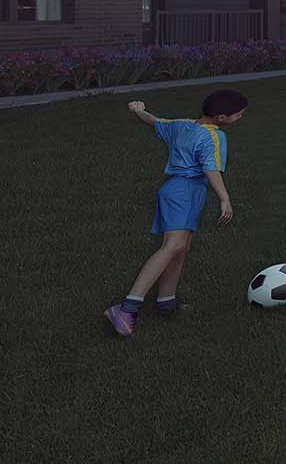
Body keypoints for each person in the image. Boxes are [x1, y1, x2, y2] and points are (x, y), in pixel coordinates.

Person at [106, 90, 247, 337]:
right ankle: (127, 308)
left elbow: (156, 122)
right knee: (172, 247)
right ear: (222, 117)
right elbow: (212, 169)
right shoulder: (214, 137)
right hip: (186, 192)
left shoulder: (182, 125)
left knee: (181, 247)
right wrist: (225, 199)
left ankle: (166, 303)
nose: (241, 118)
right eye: (239, 115)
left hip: (176, 190)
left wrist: (138, 110)